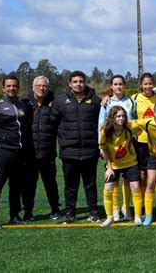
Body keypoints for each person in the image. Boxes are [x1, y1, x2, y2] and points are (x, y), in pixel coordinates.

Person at [51, 70, 102, 224]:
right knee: (70, 186)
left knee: (90, 185)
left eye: (81, 81)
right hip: (69, 152)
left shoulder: (95, 100)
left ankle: (93, 212)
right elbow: (53, 125)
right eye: (75, 81)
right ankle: (70, 213)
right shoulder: (60, 101)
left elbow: (101, 123)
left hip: (89, 151)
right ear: (70, 83)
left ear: (85, 82)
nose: (78, 84)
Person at [0, 75, 32, 229]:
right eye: (8, 86)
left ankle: (14, 215)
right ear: (3, 88)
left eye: (14, 86)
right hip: (3, 152)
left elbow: (26, 128)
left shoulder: (23, 105)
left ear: (18, 87)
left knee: (16, 186)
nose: (12, 88)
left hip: (19, 153)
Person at [21, 76, 61, 221]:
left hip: (48, 152)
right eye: (38, 85)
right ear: (33, 87)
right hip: (29, 153)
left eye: (44, 86)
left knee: (50, 184)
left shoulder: (55, 103)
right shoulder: (24, 103)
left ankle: (55, 209)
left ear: (47, 88)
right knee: (29, 185)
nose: (41, 88)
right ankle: (28, 211)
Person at [98, 75, 136, 221]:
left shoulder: (131, 101)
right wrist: (101, 147)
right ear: (111, 86)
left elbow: (134, 121)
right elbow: (101, 125)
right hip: (111, 147)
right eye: (116, 84)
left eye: (121, 84)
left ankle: (126, 208)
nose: (119, 86)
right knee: (113, 179)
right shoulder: (106, 103)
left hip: (128, 145)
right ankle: (114, 209)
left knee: (128, 180)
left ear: (124, 85)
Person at [100, 106, 143, 227]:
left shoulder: (130, 127)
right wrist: (109, 167)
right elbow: (104, 149)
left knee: (135, 187)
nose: (121, 118)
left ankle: (138, 216)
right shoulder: (105, 131)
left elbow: (143, 125)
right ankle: (110, 217)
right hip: (113, 165)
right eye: (118, 116)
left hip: (131, 163)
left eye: (123, 116)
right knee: (108, 188)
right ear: (112, 117)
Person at [131, 73, 156, 218]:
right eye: (145, 84)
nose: (147, 86)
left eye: (150, 83)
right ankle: (145, 206)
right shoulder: (134, 98)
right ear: (141, 85)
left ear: (153, 84)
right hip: (141, 141)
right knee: (143, 175)